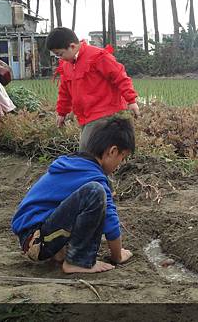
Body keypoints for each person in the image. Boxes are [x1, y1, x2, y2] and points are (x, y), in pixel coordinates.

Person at [11, 116, 135, 274]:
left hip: (32, 236)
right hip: (35, 240)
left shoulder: (76, 164)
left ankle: (59, 252)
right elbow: (110, 220)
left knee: (91, 196)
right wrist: (118, 256)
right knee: (95, 192)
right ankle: (79, 261)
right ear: (113, 151)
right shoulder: (93, 176)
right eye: (122, 158)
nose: (121, 164)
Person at [47, 27, 140, 151]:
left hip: (104, 114)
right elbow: (65, 92)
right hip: (85, 117)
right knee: (94, 154)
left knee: (87, 151)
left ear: (72, 46)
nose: (60, 58)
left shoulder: (98, 56)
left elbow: (120, 76)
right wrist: (62, 113)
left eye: (60, 54)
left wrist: (131, 101)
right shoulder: (66, 65)